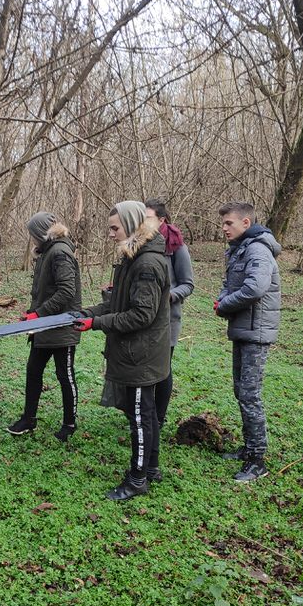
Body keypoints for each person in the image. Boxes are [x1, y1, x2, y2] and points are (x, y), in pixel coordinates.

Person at [74, 201, 170, 500]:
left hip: (141, 354)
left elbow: (141, 315)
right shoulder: (132, 258)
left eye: (115, 228)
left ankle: (138, 479)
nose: (111, 233)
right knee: (146, 414)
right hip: (136, 352)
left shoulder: (147, 264)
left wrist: (96, 323)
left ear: (130, 225)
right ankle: (150, 468)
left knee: (140, 418)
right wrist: (86, 314)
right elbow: (118, 304)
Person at [215, 202, 281, 483]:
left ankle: (257, 460)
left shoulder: (257, 249)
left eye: (229, 223)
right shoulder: (240, 249)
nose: (224, 228)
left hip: (257, 332)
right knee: (241, 391)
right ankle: (248, 447)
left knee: (250, 394)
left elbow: (255, 288)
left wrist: (225, 304)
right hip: (244, 329)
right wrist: (222, 300)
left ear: (246, 222)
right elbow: (230, 284)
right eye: (223, 223)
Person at [7, 212, 82, 441]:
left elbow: (66, 291)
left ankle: (69, 424)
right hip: (43, 328)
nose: (32, 238)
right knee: (33, 371)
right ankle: (28, 419)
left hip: (62, 327)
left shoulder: (60, 252)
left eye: (33, 234)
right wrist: (33, 314)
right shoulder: (47, 252)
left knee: (64, 375)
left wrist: (39, 313)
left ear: (41, 233)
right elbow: (45, 290)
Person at [143, 199, 194, 437]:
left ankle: (158, 419)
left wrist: (169, 295)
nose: (143, 222)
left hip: (168, 318)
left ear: (162, 220)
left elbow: (188, 284)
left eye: (148, 217)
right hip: (144, 317)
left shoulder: (176, 247)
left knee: (163, 369)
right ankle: (144, 414)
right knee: (144, 368)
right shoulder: (141, 243)